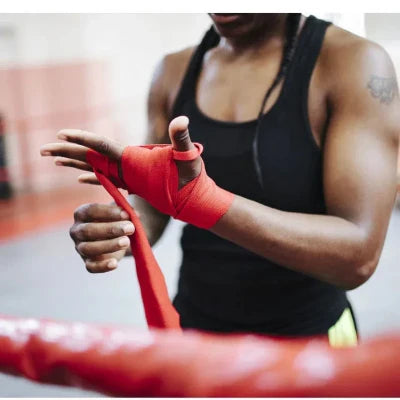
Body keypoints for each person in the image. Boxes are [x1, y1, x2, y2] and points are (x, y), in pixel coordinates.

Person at [41, 14, 400, 345]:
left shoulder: (352, 63)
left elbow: (358, 256)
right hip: (197, 334)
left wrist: (207, 203)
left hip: (311, 340)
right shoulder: (173, 71)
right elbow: (155, 206)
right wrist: (124, 226)